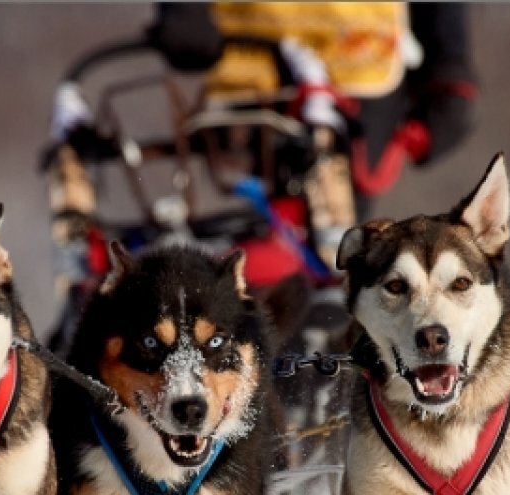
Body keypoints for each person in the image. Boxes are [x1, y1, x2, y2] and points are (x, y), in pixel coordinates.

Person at [43, 2, 477, 353]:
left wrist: (448, 57)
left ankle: (304, 400)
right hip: (246, 54)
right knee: (257, 251)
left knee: (328, 256)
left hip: (358, 54)